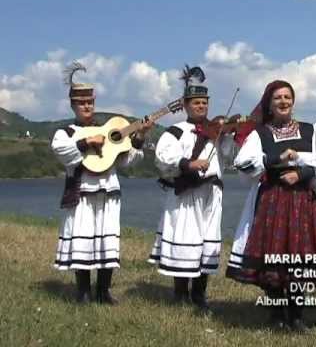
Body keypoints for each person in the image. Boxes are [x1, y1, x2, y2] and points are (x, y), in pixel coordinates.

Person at [225, 80, 316, 331]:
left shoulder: (310, 131)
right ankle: (276, 316)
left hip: (302, 201)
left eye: (287, 97)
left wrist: (302, 173)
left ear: (293, 102)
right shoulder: (260, 134)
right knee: (272, 257)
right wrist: (276, 159)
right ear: (269, 105)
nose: (283, 102)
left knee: (300, 258)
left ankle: (296, 317)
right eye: (277, 98)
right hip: (273, 200)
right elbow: (243, 163)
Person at [51, 62, 153, 304]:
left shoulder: (108, 131)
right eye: (81, 103)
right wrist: (87, 143)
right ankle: (83, 291)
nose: (87, 106)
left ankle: (103, 290)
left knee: (107, 238)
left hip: (108, 190)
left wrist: (139, 136)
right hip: (82, 193)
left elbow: (126, 160)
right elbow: (61, 151)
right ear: (73, 105)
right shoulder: (65, 132)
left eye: (90, 102)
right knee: (83, 239)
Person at [148, 66, 235, 314]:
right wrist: (188, 163)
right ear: (186, 105)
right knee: (184, 238)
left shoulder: (216, 131)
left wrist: (229, 135)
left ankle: (199, 294)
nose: (201, 107)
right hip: (186, 193)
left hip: (211, 194)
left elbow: (228, 157)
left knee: (206, 241)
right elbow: (163, 158)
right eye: (196, 103)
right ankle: (179, 293)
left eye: (204, 103)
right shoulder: (175, 131)